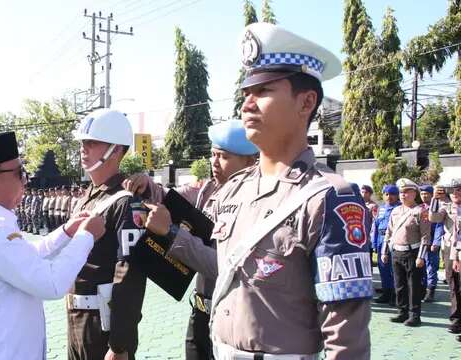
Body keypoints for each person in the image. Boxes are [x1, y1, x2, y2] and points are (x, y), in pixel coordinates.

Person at [208, 22, 372, 359]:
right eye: (245, 94)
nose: (247, 105)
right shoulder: (232, 191)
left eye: (264, 91)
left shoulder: (330, 198)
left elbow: (346, 335)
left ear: (306, 102)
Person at [0, 131, 106, 359]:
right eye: (19, 173)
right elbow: (51, 283)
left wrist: (65, 232)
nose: (26, 179)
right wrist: (86, 236)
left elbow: (25, 258)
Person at [124, 119, 258, 360]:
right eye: (213, 154)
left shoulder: (256, 204)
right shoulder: (208, 190)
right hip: (199, 314)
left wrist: (172, 234)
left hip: (233, 318)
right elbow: (171, 199)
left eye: (224, 157)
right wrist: (147, 187)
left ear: (250, 161)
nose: (214, 162)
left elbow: (224, 266)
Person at [69, 109, 148, 360]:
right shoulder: (88, 196)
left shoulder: (126, 201)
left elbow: (130, 276)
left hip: (104, 327)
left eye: (91, 142)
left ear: (115, 150)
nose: (84, 148)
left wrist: (119, 344)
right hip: (77, 320)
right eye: (83, 142)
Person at [380, 178, 430, 327]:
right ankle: (402, 312)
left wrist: (421, 256)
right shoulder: (396, 211)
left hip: (412, 253)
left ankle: (414, 316)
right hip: (397, 252)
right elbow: (388, 233)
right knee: (399, 285)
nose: (403, 195)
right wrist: (384, 252)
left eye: (407, 192)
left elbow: (426, 236)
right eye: (401, 192)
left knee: (413, 286)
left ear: (414, 193)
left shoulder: (421, 211)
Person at [429, 179, 461, 341]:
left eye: (459, 190)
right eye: (453, 190)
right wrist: (435, 198)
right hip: (450, 249)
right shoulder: (447, 206)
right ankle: (456, 320)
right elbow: (434, 218)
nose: (456, 193)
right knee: (453, 284)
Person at [371, 184, 401, 304]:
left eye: (392, 194)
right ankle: (386, 293)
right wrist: (373, 242)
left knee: (393, 270)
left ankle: (395, 295)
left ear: (397, 195)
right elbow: (376, 225)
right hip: (380, 240)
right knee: (382, 268)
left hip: (393, 240)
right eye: (386, 194)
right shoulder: (381, 208)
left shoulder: (400, 208)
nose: (389, 197)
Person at [419, 184, 444, 302]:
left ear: (431, 195)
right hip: (421, 242)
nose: (424, 196)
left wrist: (436, 242)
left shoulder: (437, 207)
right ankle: (422, 289)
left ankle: (431, 291)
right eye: (422, 194)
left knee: (431, 266)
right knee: (421, 265)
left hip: (432, 240)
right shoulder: (419, 207)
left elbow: (439, 225)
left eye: (426, 194)